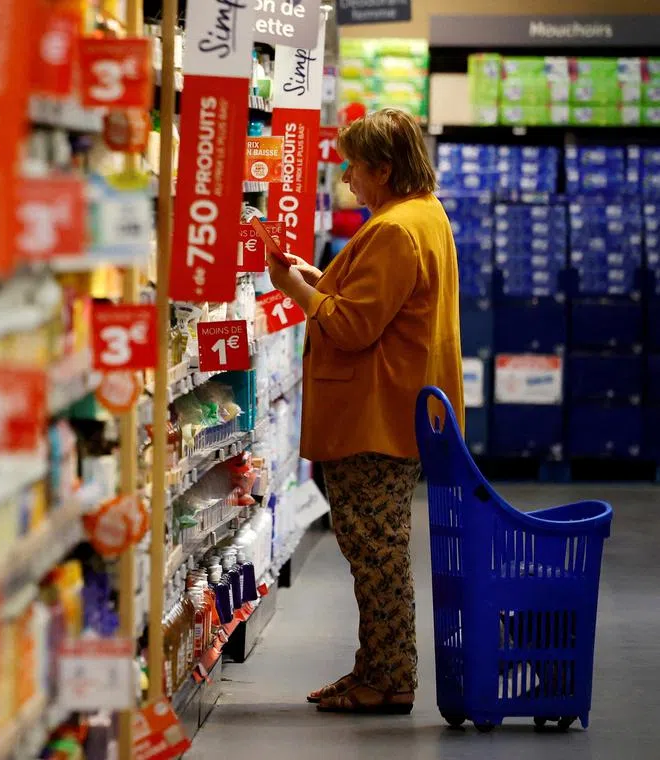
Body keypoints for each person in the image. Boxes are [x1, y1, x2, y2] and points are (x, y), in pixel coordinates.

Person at [267, 108, 464, 715]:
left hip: (376, 415)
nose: (348, 179)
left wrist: (295, 288)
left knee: (377, 555)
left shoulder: (394, 229)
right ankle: (372, 669)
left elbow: (353, 326)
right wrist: (321, 277)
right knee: (375, 552)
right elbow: (381, 305)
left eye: (355, 166)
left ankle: (391, 680)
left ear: (382, 168)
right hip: (397, 405)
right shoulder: (423, 215)